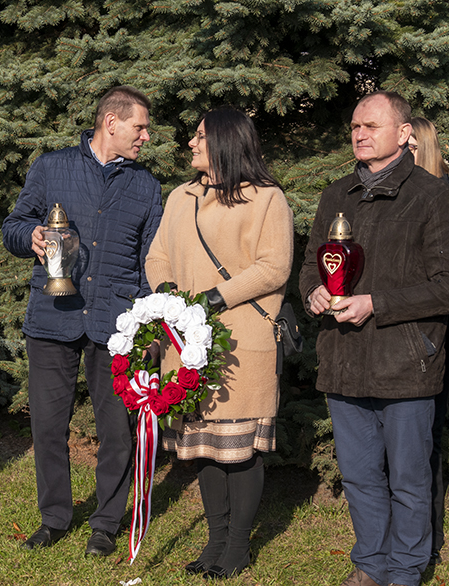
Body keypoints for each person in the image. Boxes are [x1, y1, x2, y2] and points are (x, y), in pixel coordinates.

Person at [299, 91, 449, 586]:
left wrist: (376, 303)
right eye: (354, 126)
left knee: (409, 481)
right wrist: (314, 296)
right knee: (362, 477)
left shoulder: (435, 198)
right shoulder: (335, 194)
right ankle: (371, 563)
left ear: (405, 133)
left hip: (404, 362)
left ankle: (406, 570)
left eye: (371, 125)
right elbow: (310, 267)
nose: (360, 134)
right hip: (343, 358)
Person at [2, 86, 162, 556]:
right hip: (53, 317)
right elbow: (13, 225)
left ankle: (106, 524)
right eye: (140, 127)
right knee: (48, 426)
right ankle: (54, 517)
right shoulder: (51, 167)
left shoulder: (146, 186)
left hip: (116, 323)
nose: (146, 137)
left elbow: (152, 262)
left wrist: (149, 325)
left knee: (117, 430)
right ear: (111, 123)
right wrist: (28, 235)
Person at [145, 106, 293, 578]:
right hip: (186, 344)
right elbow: (158, 256)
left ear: (227, 142)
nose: (191, 142)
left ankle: (237, 547)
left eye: (201, 136)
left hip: (242, 344)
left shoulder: (267, 199)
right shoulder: (180, 197)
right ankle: (214, 541)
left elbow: (274, 267)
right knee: (206, 446)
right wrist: (170, 297)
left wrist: (211, 298)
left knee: (239, 450)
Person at [408, 116, 449, 566]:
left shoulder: (441, 201)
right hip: (401, 343)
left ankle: (428, 541)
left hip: (429, 340)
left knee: (426, 443)